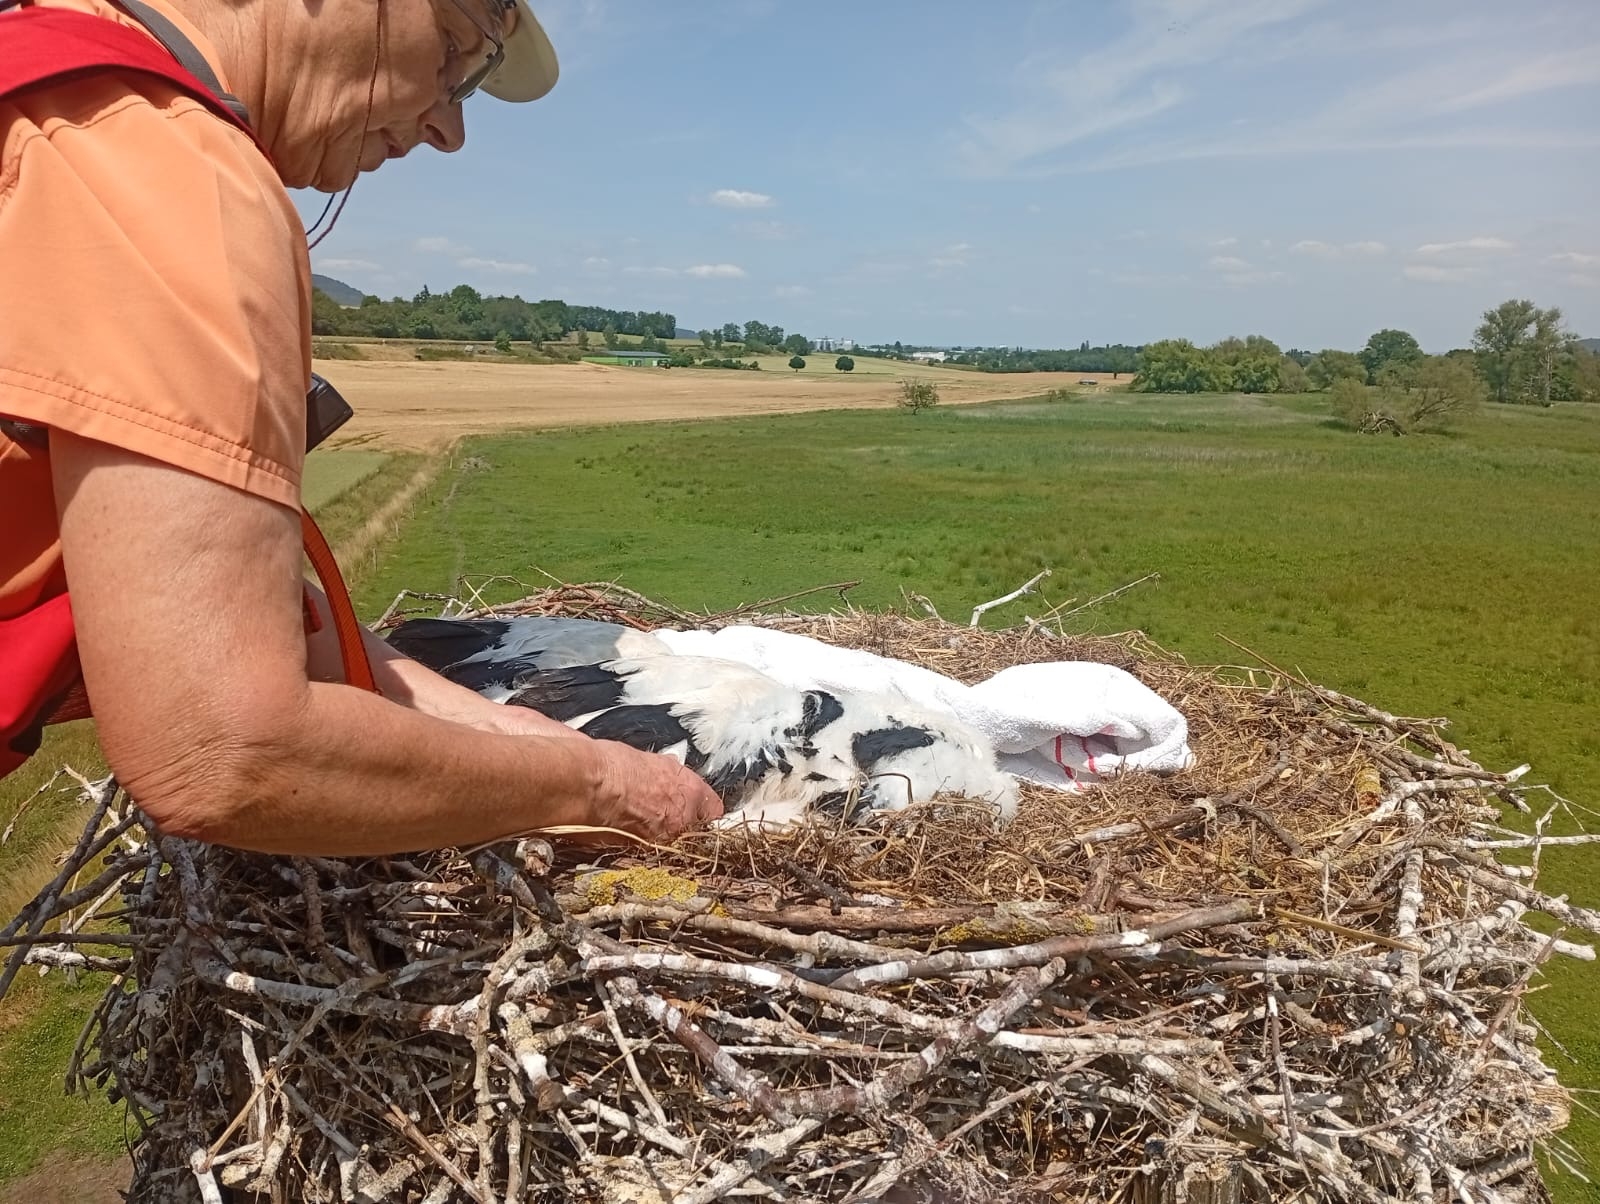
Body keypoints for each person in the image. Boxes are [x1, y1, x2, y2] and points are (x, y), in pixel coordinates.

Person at [0, 0, 724, 853]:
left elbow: (175, 578)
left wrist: (507, 734)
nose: (450, 128)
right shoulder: (166, 172)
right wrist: (602, 789)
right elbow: (229, 751)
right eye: (458, 54)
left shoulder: (45, 93)